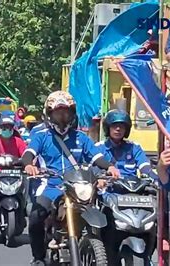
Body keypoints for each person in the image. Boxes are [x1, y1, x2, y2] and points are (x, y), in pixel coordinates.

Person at [22, 91, 120, 265]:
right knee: (36, 216)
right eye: (58, 112)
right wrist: (29, 165)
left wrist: (110, 166)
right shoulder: (42, 136)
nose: (62, 115)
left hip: (77, 187)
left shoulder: (81, 138)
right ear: (50, 114)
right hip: (50, 186)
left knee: (106, 214)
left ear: (72, 113)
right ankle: (38, 257)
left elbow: (96, 157)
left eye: (66, 111)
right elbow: (28, 153)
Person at [95, 109, 159, 265]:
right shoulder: (99, 147)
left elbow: (145, 168)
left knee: (155, 217)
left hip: (133, 194)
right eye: (115, 126)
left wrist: (157, 180)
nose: (118, 129)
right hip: (109, 194)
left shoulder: (134, 147)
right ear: (108, 128)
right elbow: (94, 168)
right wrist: (99, 179)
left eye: (122, 126)